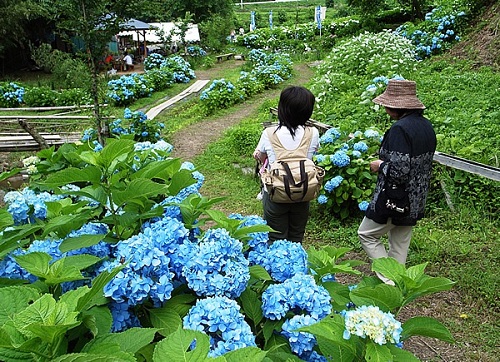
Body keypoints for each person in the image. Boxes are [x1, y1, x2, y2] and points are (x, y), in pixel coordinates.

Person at [357, 79, 437, 284]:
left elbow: (400, 170)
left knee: (366, 234)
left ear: (397, 105)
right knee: (400, 243)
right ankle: (397, 286)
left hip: (396, 198)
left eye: (387, 104)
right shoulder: (426, 126)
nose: (384, 107)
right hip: (416, 199)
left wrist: (379, 165)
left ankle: (389, 280)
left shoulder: (400, 129)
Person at [253, 86, 320, 243]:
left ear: (282, 108)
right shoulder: (313, 133)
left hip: (276, 192)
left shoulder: (269, 133)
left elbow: (262, 157)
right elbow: (313, 153)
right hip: (303, 192)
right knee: (297, 236)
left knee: (275, 237)